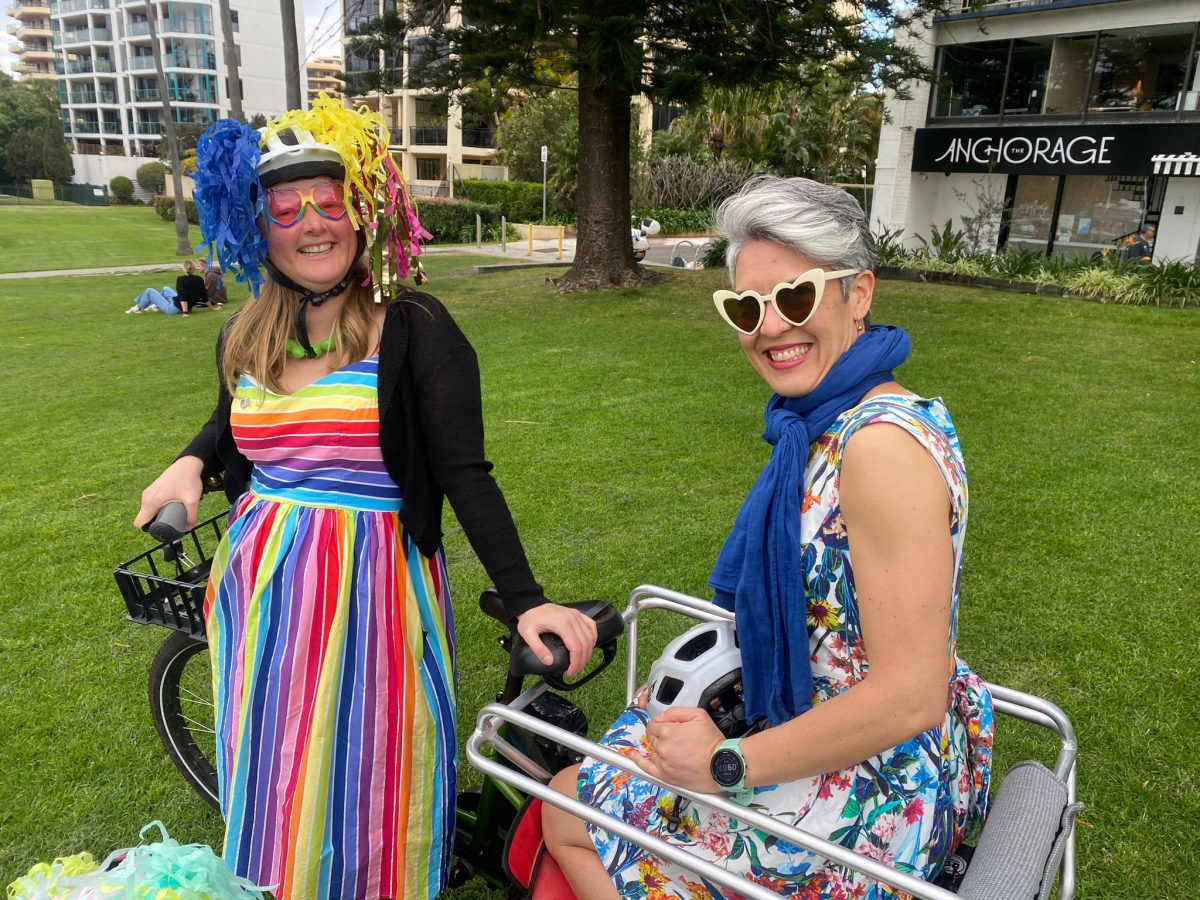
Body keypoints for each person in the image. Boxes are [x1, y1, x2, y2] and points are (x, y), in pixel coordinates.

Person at [133, 98, 598, 900]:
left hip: (372, 595)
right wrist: (187, 463)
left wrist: (527, 602)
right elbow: (229, 426)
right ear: (259, 226)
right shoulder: (245, 332)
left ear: (366, 212)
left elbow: (464, 472)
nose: (313, 223)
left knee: (373, 779)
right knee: (275, 771)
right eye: (287, 207)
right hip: (262, 596)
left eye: (330, 200)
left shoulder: (415, 324)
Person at [545, 176, 994, 899]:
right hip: (862, 742)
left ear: (860, 293)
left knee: (564, 805)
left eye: (795, 297)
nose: (770, 327)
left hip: (873, 792)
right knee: (627, 744)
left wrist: (728, 765)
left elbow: (912, 694)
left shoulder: (876, 449)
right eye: (747, 307)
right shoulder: (830, 420)